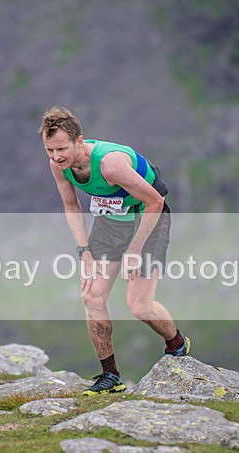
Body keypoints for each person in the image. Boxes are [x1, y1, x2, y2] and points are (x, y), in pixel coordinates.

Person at [38, 106, 190, 396]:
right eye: (50, 150)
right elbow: (71, 205)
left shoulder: (111, 164)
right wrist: (84, 251)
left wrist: (134, 250)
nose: (56, 157)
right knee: (92, 295)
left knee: (139, 306)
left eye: (62, 149)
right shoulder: (58, 165)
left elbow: (155, 202)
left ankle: (177, 343)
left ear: (79, 141)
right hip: (110, 223)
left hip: (148, 219)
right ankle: (111, 376)